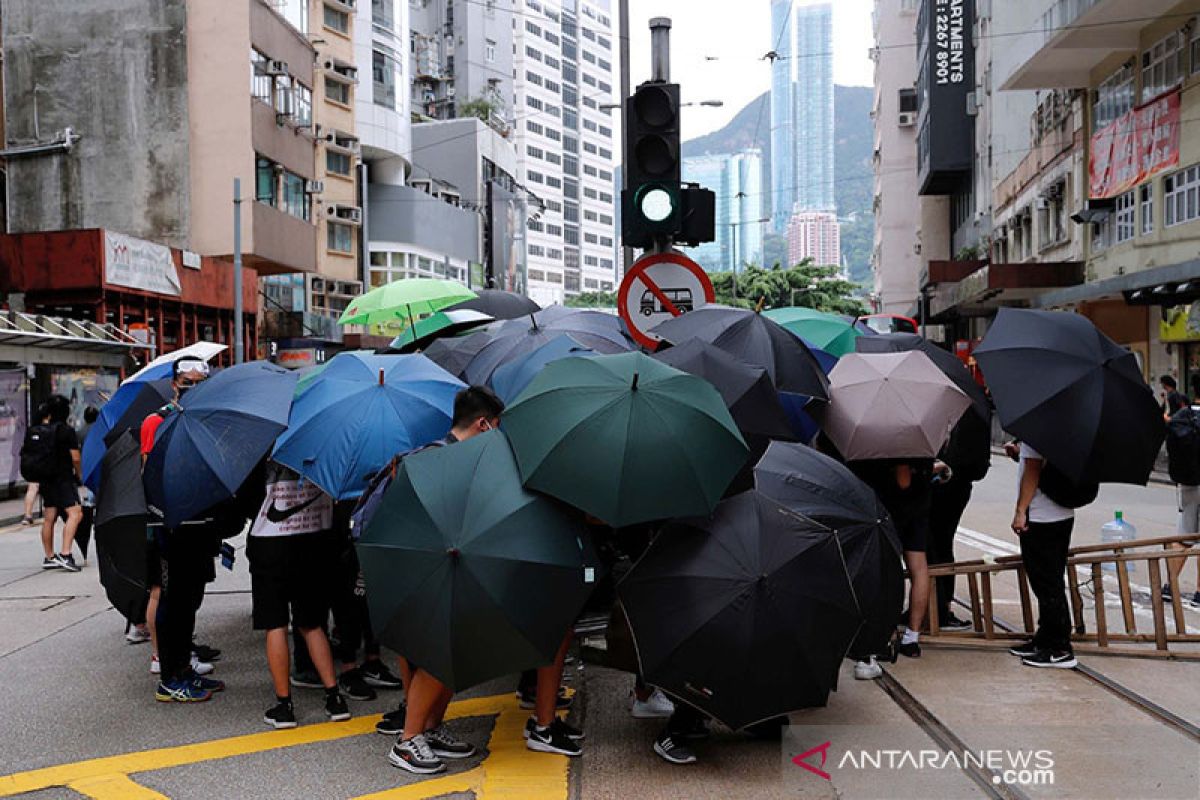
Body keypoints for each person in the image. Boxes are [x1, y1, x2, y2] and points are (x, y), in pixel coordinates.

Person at [388, 386, 504, 775]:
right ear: (483, 423)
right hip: (429, 571)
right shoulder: (440, 459)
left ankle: (430, 727)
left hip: (448, 569)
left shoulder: (454, 456)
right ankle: (407, 741)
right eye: (496, 427)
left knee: (453, 655)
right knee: (439, 655)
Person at [141, 357, 225, 702]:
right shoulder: (156, 421)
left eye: (200, 381)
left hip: (201, 522)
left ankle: (185, 669)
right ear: (175, 383)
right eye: (187, 381)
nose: (193, 386)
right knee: (172, 599)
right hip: (170, 524)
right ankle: (169, 675)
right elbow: (148, 472)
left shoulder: (210, 420)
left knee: (191, 599)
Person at [248, 463, 351, 728]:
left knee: (275, 625)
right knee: (312, 623)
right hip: (313, 542)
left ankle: (285, 706)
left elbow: (248, 503)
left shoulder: (264, 451)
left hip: (270, 546)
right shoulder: (326, 449)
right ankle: (334, 697)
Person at [850, 457, 935, 666]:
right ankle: (912, 637)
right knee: (919, 567)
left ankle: (887, 635)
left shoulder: (895, 433)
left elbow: (902, 479)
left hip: (894, 506)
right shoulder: (924, 431)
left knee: (889, 571)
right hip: (920, 501)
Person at [1009, 442, 1077, 669]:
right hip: (1062, 513)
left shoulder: (1036, 430)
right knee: (1050, 581)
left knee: (1047, 584)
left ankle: (1059, 648)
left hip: (1041, 517)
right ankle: (1045, 638)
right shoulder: (1063, 426)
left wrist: (1020, 511)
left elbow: (1033, 470)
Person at [927, 408, 992, 632]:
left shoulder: (964, 411)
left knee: (937, 545)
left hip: (947, 486)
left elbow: (960, 458)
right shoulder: (969, 407)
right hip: (950, 486)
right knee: (936, 544)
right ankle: (937, 605)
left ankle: (940, 608)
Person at [38, 395, 84, 572]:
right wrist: (80, 474)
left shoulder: (43, 429)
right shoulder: (66, 431)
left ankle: (49, 556)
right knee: (76, 513)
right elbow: (75, 458)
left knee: (49, 518)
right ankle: (66, 554)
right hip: (63, 479)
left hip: (46, 479)